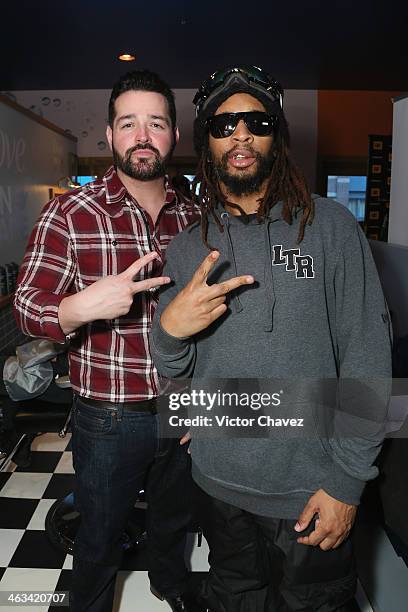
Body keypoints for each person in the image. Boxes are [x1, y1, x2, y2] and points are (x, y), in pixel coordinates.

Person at [150, 66, 392, 611]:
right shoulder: (189, 247)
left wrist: (347, 483)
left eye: (255, 121)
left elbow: (367, 355)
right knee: (234, 599)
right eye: (224, 123)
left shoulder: (330, 228)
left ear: (275, 136)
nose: (240, 134)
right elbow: (175, 370)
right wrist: (169, 338)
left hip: (312, 490)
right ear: (206, 142)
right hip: (218, 485)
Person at [14, 70, 199, 612]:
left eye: (156, 123)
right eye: (129, 123)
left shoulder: (197, 215)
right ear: (110, 134)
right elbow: (27, 305)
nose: (143, 135)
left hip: (183, 406)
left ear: (174, 136)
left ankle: (171, 584)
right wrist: (77, 309)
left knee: (175, 520)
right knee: (99, 533)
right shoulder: (69, 213)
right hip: (109, 414)